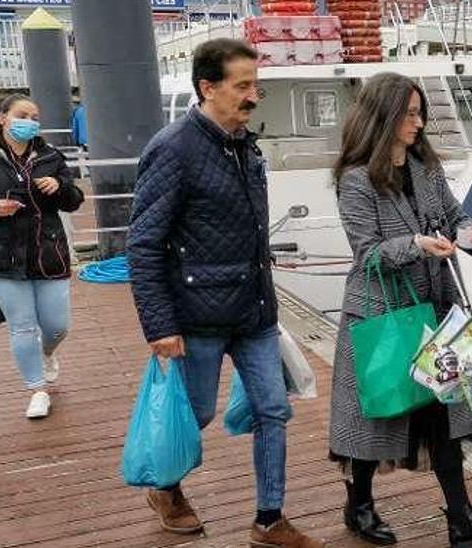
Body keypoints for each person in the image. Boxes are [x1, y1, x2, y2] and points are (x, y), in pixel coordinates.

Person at [127, 38, 322, 548]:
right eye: (243, 86)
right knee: (196, 414)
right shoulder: (172, 148)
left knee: (273, 410)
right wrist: (160, 326)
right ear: (207, 87)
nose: (253, 95)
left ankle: (269, 519)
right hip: (197, 314)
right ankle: (166, 488)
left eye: (254, 84)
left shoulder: (245, 145)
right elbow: (143, 244)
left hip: (254, 311)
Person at [330, 72, 472, 547]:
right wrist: (417, 245)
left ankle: (461, 519)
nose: (419, 123)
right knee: (377, 417)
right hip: (383, 315)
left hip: (436, 312)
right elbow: (368, 253)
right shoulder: (355, 181)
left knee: (445, 417)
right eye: (410, 114)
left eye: (420, 113)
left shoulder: (427, 168)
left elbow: (454, 217)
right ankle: (359, 507)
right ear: (384, 117)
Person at [0, 93, 83, 419]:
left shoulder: (50, 155)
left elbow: (74, 199)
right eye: (23, 114)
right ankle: (37, 389)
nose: (31, 122)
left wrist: (60, 186)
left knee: (57, 325)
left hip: (48, 252)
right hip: (0, 255)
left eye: (35, 117)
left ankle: (47, 353)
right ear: (2, 117)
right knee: (22, 326)